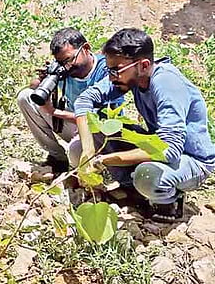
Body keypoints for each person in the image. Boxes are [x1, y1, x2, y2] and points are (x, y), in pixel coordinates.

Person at [74, 28, 215, 222]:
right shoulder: (129, 79)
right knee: (78, 147)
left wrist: (104, 160)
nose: (111, 76)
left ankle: (168, 204)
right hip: (156, 145)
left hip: (191, 159)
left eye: (115, 70)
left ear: (143, 65)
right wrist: (88, 151)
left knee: (147, 175)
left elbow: (169, 150)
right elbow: (84, 102)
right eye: (109, 70)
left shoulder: (167, 84)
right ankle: (133, 191)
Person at [17, 27, 123, 172]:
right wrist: (45, 79)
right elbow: (34, 88)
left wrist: (54, 112)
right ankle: (57, 158)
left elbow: (99, 122)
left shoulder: (106, 70)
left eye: (69, 59)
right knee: (25, 97)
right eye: (61, 62)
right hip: (73, 125)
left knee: (75, 151)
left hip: (100, 133)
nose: (67, 66)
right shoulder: (65, 69)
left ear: (86, 48)